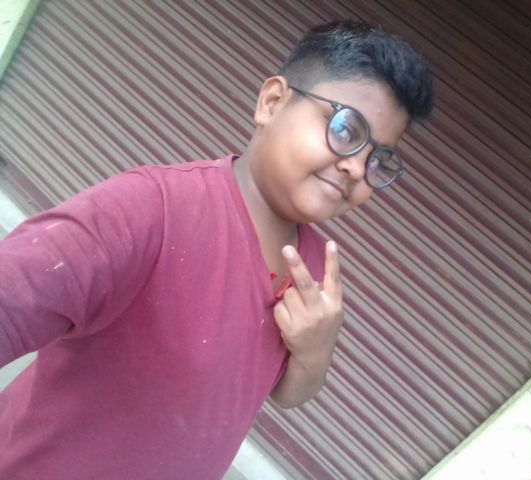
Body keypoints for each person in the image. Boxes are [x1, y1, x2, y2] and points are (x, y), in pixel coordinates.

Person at [0, 19, 433, 479]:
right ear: (272, 102)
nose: (356, 169)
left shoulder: (312, 269)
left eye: (378, 159)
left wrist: (317, 351)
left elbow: (285, 392)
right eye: (347, 130)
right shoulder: (154, 210)